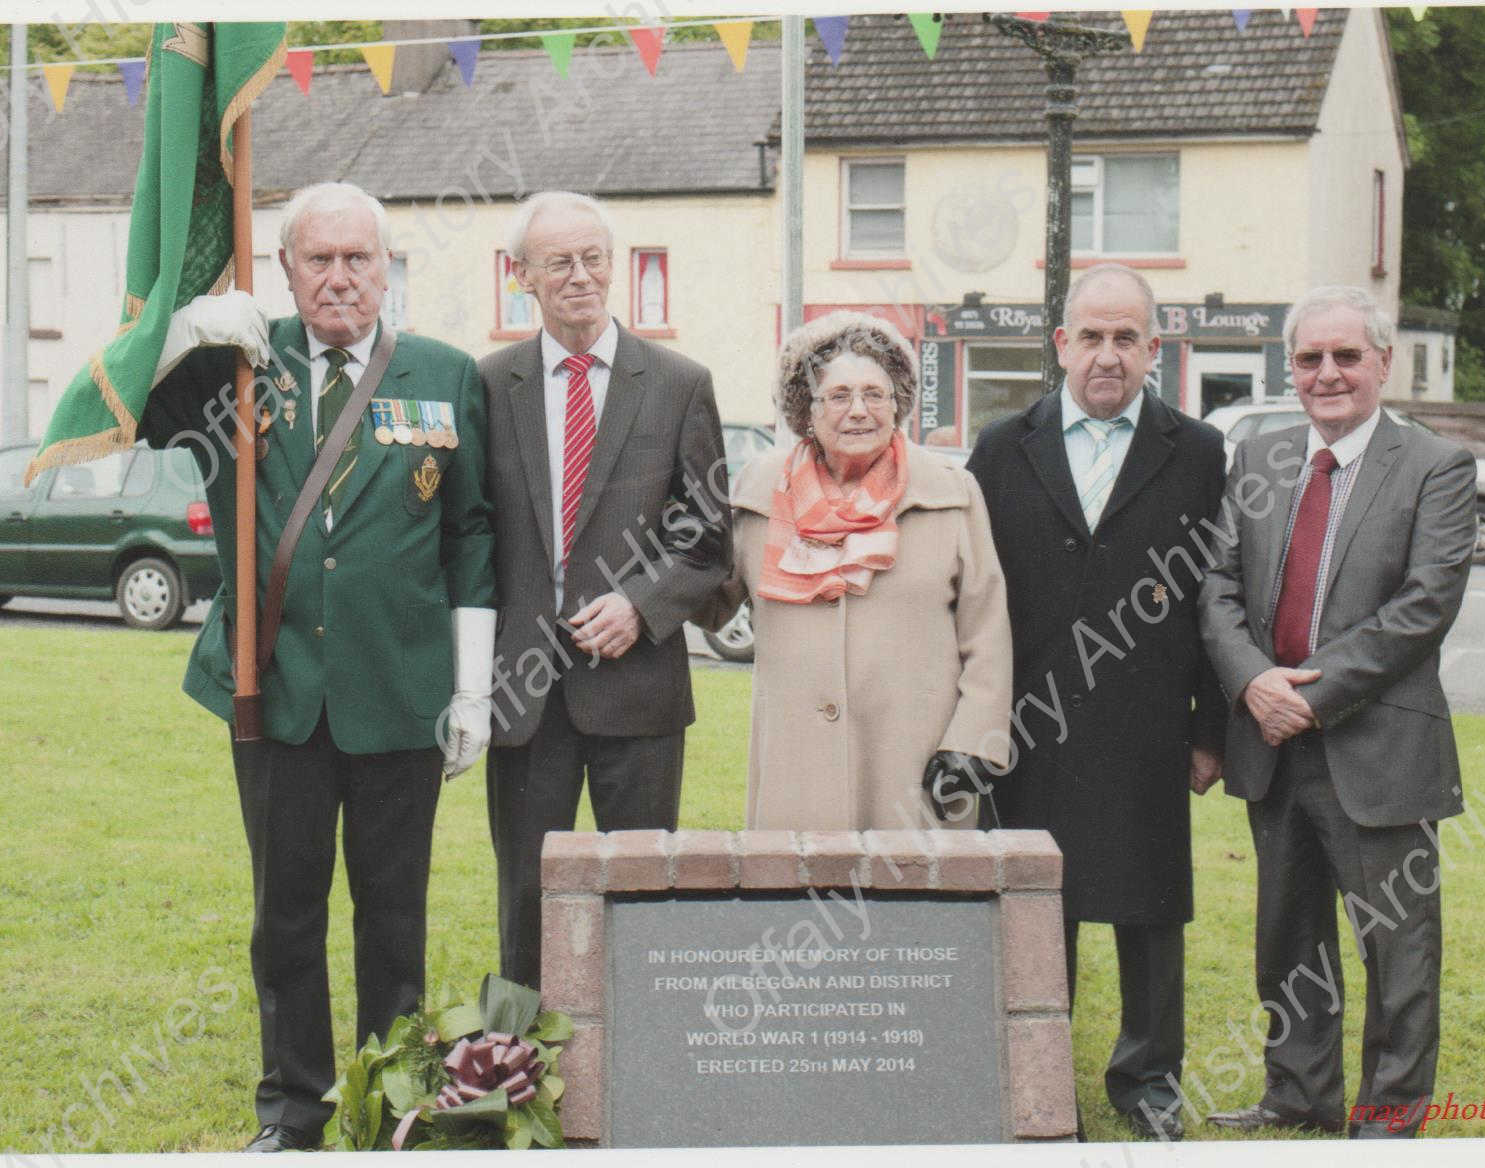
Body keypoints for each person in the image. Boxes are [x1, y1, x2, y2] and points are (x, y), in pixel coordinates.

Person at [134, 181, 497, 1152]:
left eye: (358, 258)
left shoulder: (445, 374)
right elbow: (124, 402)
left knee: (394, 917)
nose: (340, 277)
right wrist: (188, 328)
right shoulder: (239, 365)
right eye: (319, 259)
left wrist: (472, 686)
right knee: (285, 917)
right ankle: (293, 1110)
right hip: (275, 689)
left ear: (387, 267)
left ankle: (389, 1106)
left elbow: (469, 534)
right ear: (286, 269)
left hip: (400, 692)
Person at [1198, 285, 1477, 1139]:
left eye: (1346, 356)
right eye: (1310, 358)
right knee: (1288, 939)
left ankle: (1387, 1122)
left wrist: (1304, 698)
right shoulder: (1260, 458)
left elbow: (1423, 608)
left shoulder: (1436, 466)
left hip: (1378, 747)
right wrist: (1253, 683)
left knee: (1398, 952)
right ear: (1291, 368)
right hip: (1271, 745)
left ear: (1383, 363)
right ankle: (1298, 1093)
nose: (1327, 374)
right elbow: (1215, 587)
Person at [966, 264, 1226, 1142]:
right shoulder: (1004, 446)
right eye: (1091, 337)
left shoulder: (1199, 452)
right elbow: (973, 592)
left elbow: (1216, 598)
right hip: (1028, 721)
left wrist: (1210, 728)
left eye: (1125, 338)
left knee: (1151, 905)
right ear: (1061, 344)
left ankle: (1148, 1080)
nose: (1107, 355)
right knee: (1042, 903)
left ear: (1154, 348)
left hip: (1149, 721)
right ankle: (1037, 1072)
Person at [476, 191, 730, 990]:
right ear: (522, 275)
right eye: (559, 262)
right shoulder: (489, 385)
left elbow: (708, 536)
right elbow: (471, 532)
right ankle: (521, 1054)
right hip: (524, 693)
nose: (580, 276)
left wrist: (641, 606)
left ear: (613, 266)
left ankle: (641, 1050)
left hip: (639, 689)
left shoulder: (679, 383)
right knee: (526, 901)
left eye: (593, 258)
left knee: (644, 894)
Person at [717, 311, 1011, 829]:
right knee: (798, 878)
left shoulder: (950, 491)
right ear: (806, 408)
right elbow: (710, 601)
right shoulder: (759, 493)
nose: (859, 411)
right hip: (796, 765)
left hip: (914, 762)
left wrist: (971, 742)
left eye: (875, 394)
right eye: (838, 396)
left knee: (909, 882)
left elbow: (986, 629)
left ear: (899, 404)